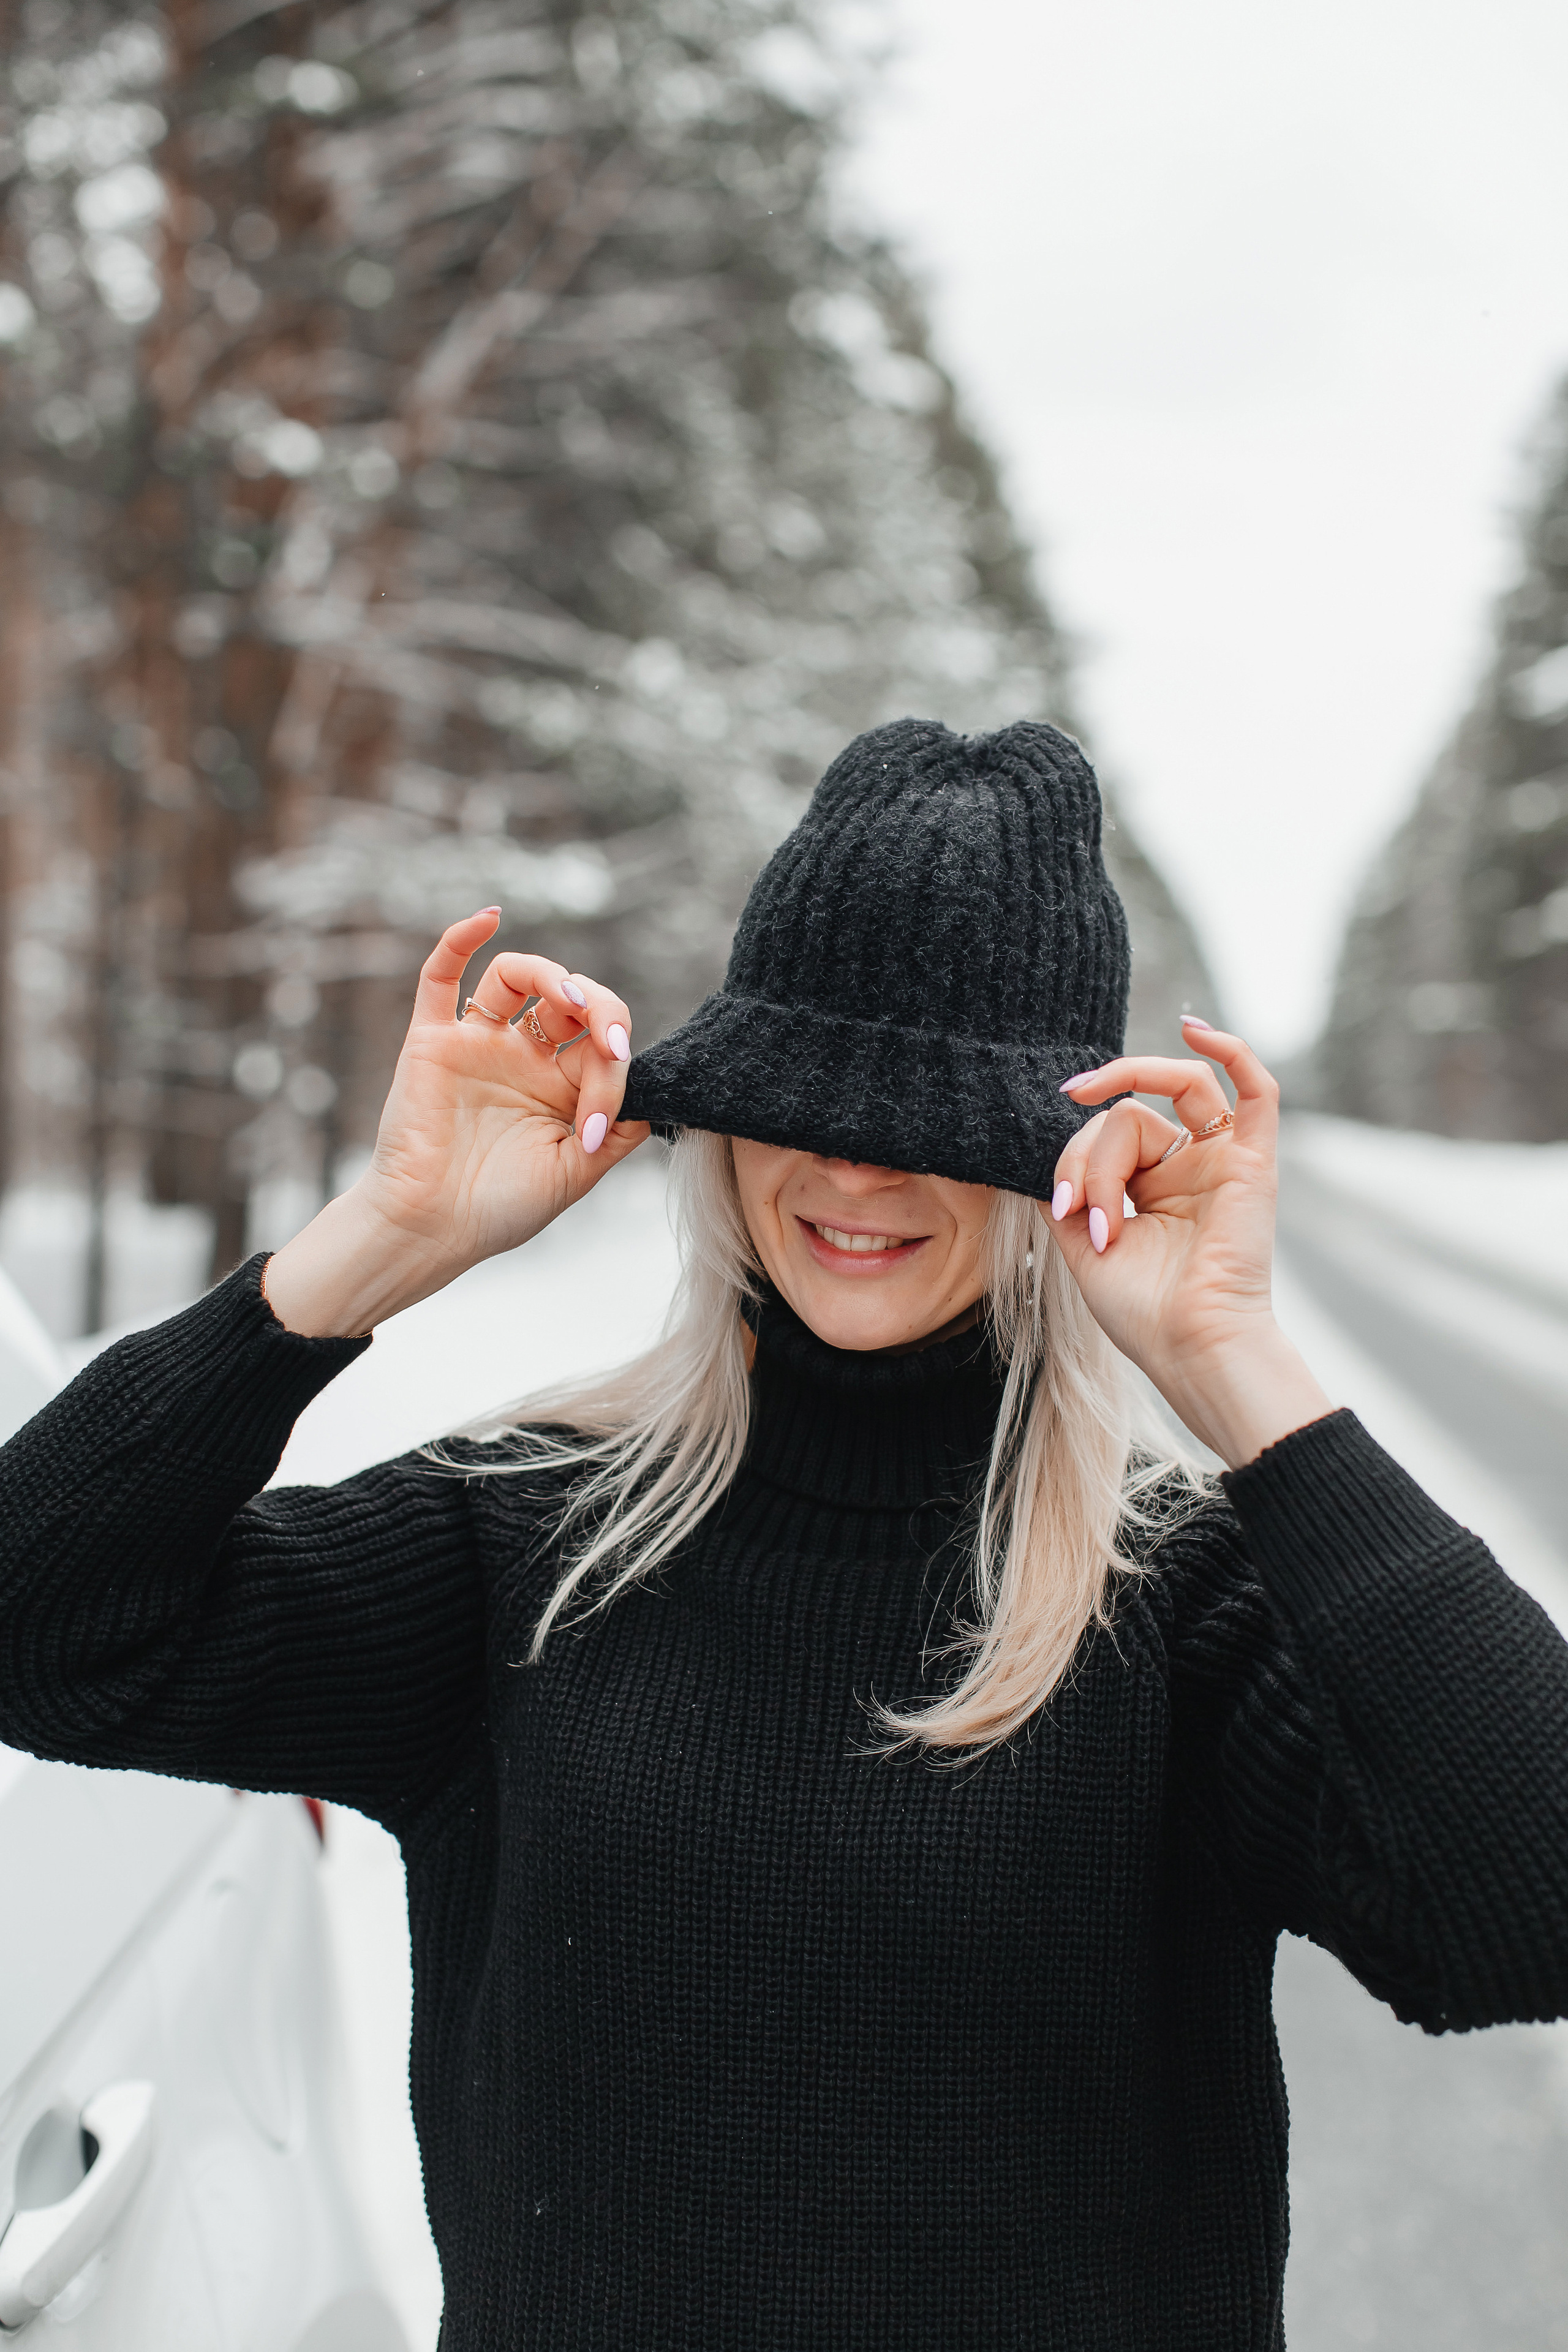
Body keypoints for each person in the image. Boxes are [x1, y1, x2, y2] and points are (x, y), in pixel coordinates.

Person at [1, 716, 1564, 2352]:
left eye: (935, 1121)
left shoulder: (1176, 1602)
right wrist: (384, 1238)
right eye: (804, 1098)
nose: (854, 1168)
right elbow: (42, 1629)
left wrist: (1233, 1364)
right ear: (734, 1122)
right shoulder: (532, 1539)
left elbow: (1532, 1909)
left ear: (1052, 1162)